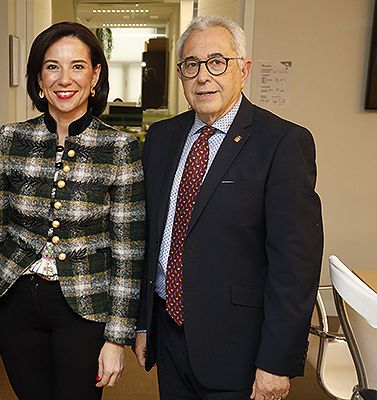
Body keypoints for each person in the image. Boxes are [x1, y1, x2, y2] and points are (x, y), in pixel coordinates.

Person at [134, 15, 323, 400]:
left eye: (217, 62)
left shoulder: (282, 143)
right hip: (169, 335)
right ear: (181, 75)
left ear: (244, 70)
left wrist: (276, 361)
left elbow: (296, 265)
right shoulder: (161, 138)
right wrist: (144, 326)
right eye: (191, 65)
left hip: (240, 348)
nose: (203, 76)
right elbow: (150, 240)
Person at [0, 21, 145, 400]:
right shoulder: (11, 137)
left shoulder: (120, 147)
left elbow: (128, 251)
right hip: (14, 300)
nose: (64, 78)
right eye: (52, 66)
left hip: (85, 306)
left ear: (95, 74)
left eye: (77, 66)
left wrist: (116, 338)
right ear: (39, 77)